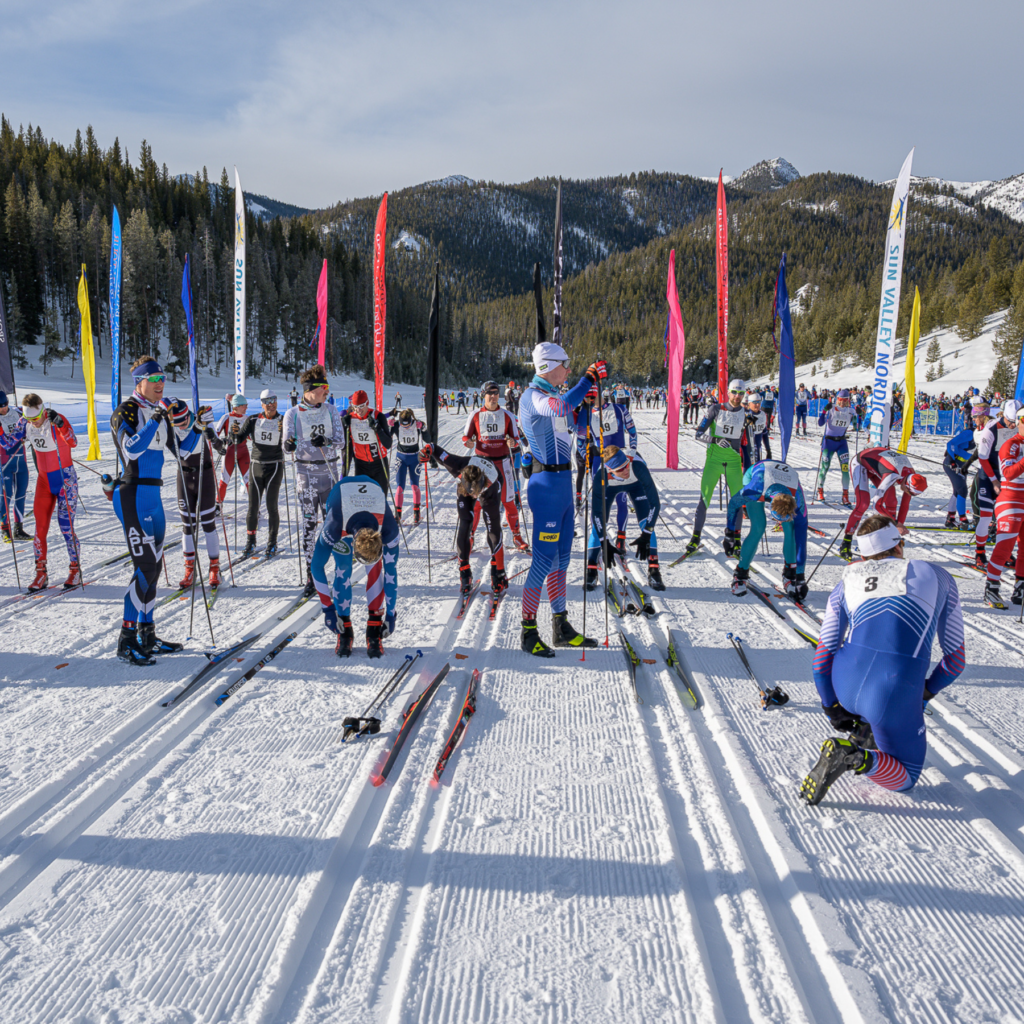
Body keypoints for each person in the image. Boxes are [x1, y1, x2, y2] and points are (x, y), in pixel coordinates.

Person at [800, 514, 965, 805]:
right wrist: (923, 695)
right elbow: (955, 661)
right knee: (907, 777)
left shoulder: (847, 580)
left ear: (863, 555)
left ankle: (864, 727)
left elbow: (822, 657)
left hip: (844, 684)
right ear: (899, 545)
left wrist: (832, 708)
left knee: (869, 697)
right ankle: (856, 758)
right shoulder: (938, 576)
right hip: (893, 689)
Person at [109, 356, 208, 665]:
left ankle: (147, 633)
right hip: (132, 493)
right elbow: (132, 449)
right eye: (154, 380)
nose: (160, 384)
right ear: (140, 381)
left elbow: (185, 450)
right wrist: (154, 420)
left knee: (155, 567)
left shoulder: (160, 414)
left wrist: (195, 426)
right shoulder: (125, 411)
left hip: (153, 495)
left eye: (163, 379)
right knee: (145, 568)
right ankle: (126, 640)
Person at [517, 340, 606, 656]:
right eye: (564, 364)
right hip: (545, 488)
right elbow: (559, 408)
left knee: (562, 561)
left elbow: (577, 428)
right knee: (543, 560)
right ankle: (528, 632)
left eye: (569, 365)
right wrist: (586, 381)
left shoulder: (554, 395)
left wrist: (587, 404)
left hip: (564, 486)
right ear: (548, 367)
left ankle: (560, 625)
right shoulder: (533, 398)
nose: (568, 369)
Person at [310, 474, 399, 658]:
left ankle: (374, 626)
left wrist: (391, 615)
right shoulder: (334, 526)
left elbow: (391, 573)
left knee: (376, 570)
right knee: (343, 568)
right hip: (342, 499)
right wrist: (328, 609)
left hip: (372, 492)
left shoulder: (389, 529)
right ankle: (345, 628)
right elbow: (316, 566)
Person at [0, 394, 81, 592]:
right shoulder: (24, 422)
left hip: (65, 480)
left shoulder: (55, 419)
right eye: (29, 419)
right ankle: (40, 572)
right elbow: (8, 444)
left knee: (66, 527)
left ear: (43, 410)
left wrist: (61, 424)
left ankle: (75, 569)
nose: (33, 423)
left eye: (36, 418)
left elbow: (73, 442)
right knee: (40, 527)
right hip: (44, 481)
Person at [283, 365, 347, 597]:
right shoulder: (292, 413)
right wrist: (289, 445)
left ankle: (341, 571)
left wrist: (327, 442)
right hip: (306, 475)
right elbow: (286, 442)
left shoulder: (331, 410)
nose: (327, 391)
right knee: (310, 525)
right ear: (310, 390)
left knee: (335, 525)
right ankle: (312, 575)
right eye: (324, 388)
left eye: (327, 387)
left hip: (329, 473)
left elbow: (341, 442)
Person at [421, 440, 508, 596]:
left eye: (476, 493)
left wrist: (500, 569)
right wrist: (425, 451)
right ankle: (465, 574)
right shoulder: (457, 465)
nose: (475, 497)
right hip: (466, 484)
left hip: (490, 488)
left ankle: (497, 571)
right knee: (466, 522)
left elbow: (495, 531)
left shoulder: (491, 483)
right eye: (472, 493)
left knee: (492, 527)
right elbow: (434, 448)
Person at [685, 379, 751, 557]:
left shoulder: (746, 413)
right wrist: (714, 440)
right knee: (704, 499)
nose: (737, 397)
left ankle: (735, 540)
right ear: (728, 392)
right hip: (714, 461)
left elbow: (748, 445)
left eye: (741, 393)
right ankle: (695, 537)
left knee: (737, 502)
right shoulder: (716, 409)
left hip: (734, 463)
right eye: (734, 392)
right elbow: (698, 434)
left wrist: (750, 467)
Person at [585, 445, 665, 591]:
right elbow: (596, 514)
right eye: (621, 469)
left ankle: (654, 569)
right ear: (610, 470)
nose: (626, 470)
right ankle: (591, 568)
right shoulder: (601, 476)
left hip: (636, 485)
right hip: (610, 487)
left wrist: (646, 534)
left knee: (647, 523)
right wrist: (604, 542)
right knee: (597, 528)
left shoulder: (636, 466)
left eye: (626, 465)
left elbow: (655, 504)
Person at [724, 460, 807, 598]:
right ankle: (740, 574)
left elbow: (801, 536)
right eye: (779, 520)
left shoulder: (798, 496)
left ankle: (790, 573)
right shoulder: (754, 489)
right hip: (758, 476)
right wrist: (730, 534)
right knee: (758, 527)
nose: (779, 523)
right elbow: (733, 503)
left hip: (784, 478)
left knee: (792, 529)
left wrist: (800, 576)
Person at [162, 398, 221, 590]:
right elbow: (183, 453)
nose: (182, 425)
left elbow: (216, 439)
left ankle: (214, 568)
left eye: (185, 421)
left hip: (205, 475)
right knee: (188, 525)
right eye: (177, 423)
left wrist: (214, 434)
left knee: (208, 523)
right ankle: (189, 570)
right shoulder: (169, 430)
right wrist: (196, 426)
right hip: (185, 477)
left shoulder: (198, 420)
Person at [463, 380, 529, 550]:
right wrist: (469, 443)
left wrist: (511, 442)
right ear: (483, 394)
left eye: (495, 393)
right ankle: (470, 537)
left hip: (503, 463)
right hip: (481, 464)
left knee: (509, 501)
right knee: (476, 503)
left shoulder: (507, 415)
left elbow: (515, 440)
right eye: (489, 393)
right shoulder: (476, 415)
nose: (493, 396)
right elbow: (466, 437)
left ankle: (516, 536)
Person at [576, 381, 637, 551]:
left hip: (619, 461)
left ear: (600, 393)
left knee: (621, 499)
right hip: (599, 462)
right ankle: (599, 537)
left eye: (592, 395)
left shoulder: (619, 409)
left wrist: (631, 453)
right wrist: (585, 456)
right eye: (587, 396)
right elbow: (580, 442)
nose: (589, 398)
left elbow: (632, 431)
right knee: (601, 501)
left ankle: (621, 538)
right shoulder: (587, 415)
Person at [838, 446, 927, 560]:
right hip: (861, 463)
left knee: (892, 501)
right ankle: (846, 542)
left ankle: (890, 541)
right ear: (907, 484)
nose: (909, 494)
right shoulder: (893, 475)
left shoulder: (912, 477)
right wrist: (895, 525)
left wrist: (898, 525)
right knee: (863, 504)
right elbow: (876, 504)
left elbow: (905, 503)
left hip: (879, 466)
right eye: (909, 492)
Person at [235, 388, 286, 558]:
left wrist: (288, 438)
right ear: (262, 403)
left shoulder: (282, 420)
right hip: (256, 465)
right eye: (267, 401)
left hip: (275, 466)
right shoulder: (253, 419)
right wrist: (234, 435)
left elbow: (291, 441)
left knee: (272, 506)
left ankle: (272, 543)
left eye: (274, 400)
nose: (271, 404)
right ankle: (250, 542)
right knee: (252, 507)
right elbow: (240, 437)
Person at [983, 405, 1024, 608]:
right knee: (1005, 546)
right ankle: (992, 588)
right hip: (1010, 500)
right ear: (1019, 422)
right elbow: (1008, 473)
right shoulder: (1012, 444)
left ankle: (1020, 588)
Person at [973, 398, 1017, 569]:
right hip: (987, 475)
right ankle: (980, 552)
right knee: (985, 516)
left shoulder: (1018, 429)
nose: (1013, 426)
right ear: (1004, 417)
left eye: (1016, 422)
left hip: (1006, 477)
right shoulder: (991, 429)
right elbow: (983, 458)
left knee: (1006, 518)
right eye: (1010, 422)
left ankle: (1004, 553)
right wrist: (994, 481)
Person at [343, 388, 392, 492]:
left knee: (380, 500)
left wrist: (378, 428)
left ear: (367, 403)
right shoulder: (350, 418)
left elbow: (388, 444)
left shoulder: (378, 416)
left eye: (361, 406)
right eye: (355, 407)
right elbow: (345, 444)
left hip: (379, 464)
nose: (358, 410)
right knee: (363, 502)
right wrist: (344, 426)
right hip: (361, 465)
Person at [0, 390, 30, 541]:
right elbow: (5, 444)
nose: (3, 408)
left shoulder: (18, 412)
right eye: (0, 406)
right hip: (4, 463)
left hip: (21, 461)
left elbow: (32, 420)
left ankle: (19, 529)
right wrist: (20, 436)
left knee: (21, 495)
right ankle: (5, 530)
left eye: (5, 404)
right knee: (6, 496)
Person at [816, 388, 854, 504]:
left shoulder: (850, 411)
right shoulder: (831, 408)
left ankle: (845, 495)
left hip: (841, 442)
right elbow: (820, 423)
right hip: (829, 442)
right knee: (825, 467)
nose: (842, 402)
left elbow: (858, 425)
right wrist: (823, 411)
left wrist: (860, 415)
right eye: (840, 400)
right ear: (837, 400)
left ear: (848, 401)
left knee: (845, 469)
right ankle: (820, 491)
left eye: (845, 400)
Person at [215, 394, 251, 511]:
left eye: (246, 405)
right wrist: (221, 443)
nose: (246, 408)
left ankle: (254, 507)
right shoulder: (226, 417)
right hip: (230, 452)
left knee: (249, 481)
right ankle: (218, 506)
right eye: (244, 405)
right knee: (224, 481)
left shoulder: (247, 418)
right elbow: (215, 434)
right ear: (236, 406)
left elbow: (252, 436)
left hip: (243, 452)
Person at [391, 407, 427, 523]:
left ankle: (417, 514)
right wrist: (389, 426)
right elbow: (387, 437)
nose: (405, 427)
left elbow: (428, 438)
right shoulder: (397, 425)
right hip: (401, 458)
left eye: (407, 425)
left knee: (414, 486)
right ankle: (398, 515)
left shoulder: (417, 424)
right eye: (403, 425)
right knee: (400, 486)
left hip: (415, 458)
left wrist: (424, 428)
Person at [943, 411, 977, 531]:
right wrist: (952, 460)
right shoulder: (970, 433)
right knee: (962, 491)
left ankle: (950, 518)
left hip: (961, 465)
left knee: (957, 492)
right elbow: (951, 443)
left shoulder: (982, 436)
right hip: (952, 464)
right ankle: (963, 520)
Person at [746, 392, 772, 466]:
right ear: (749, 403)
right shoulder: (747, 415)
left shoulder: (763, 414)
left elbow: (764, 433)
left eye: (759, 402)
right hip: (747, 450)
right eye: (755, 402)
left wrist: (768, 450)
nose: (757, 405)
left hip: (758, 449)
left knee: (757, 471)